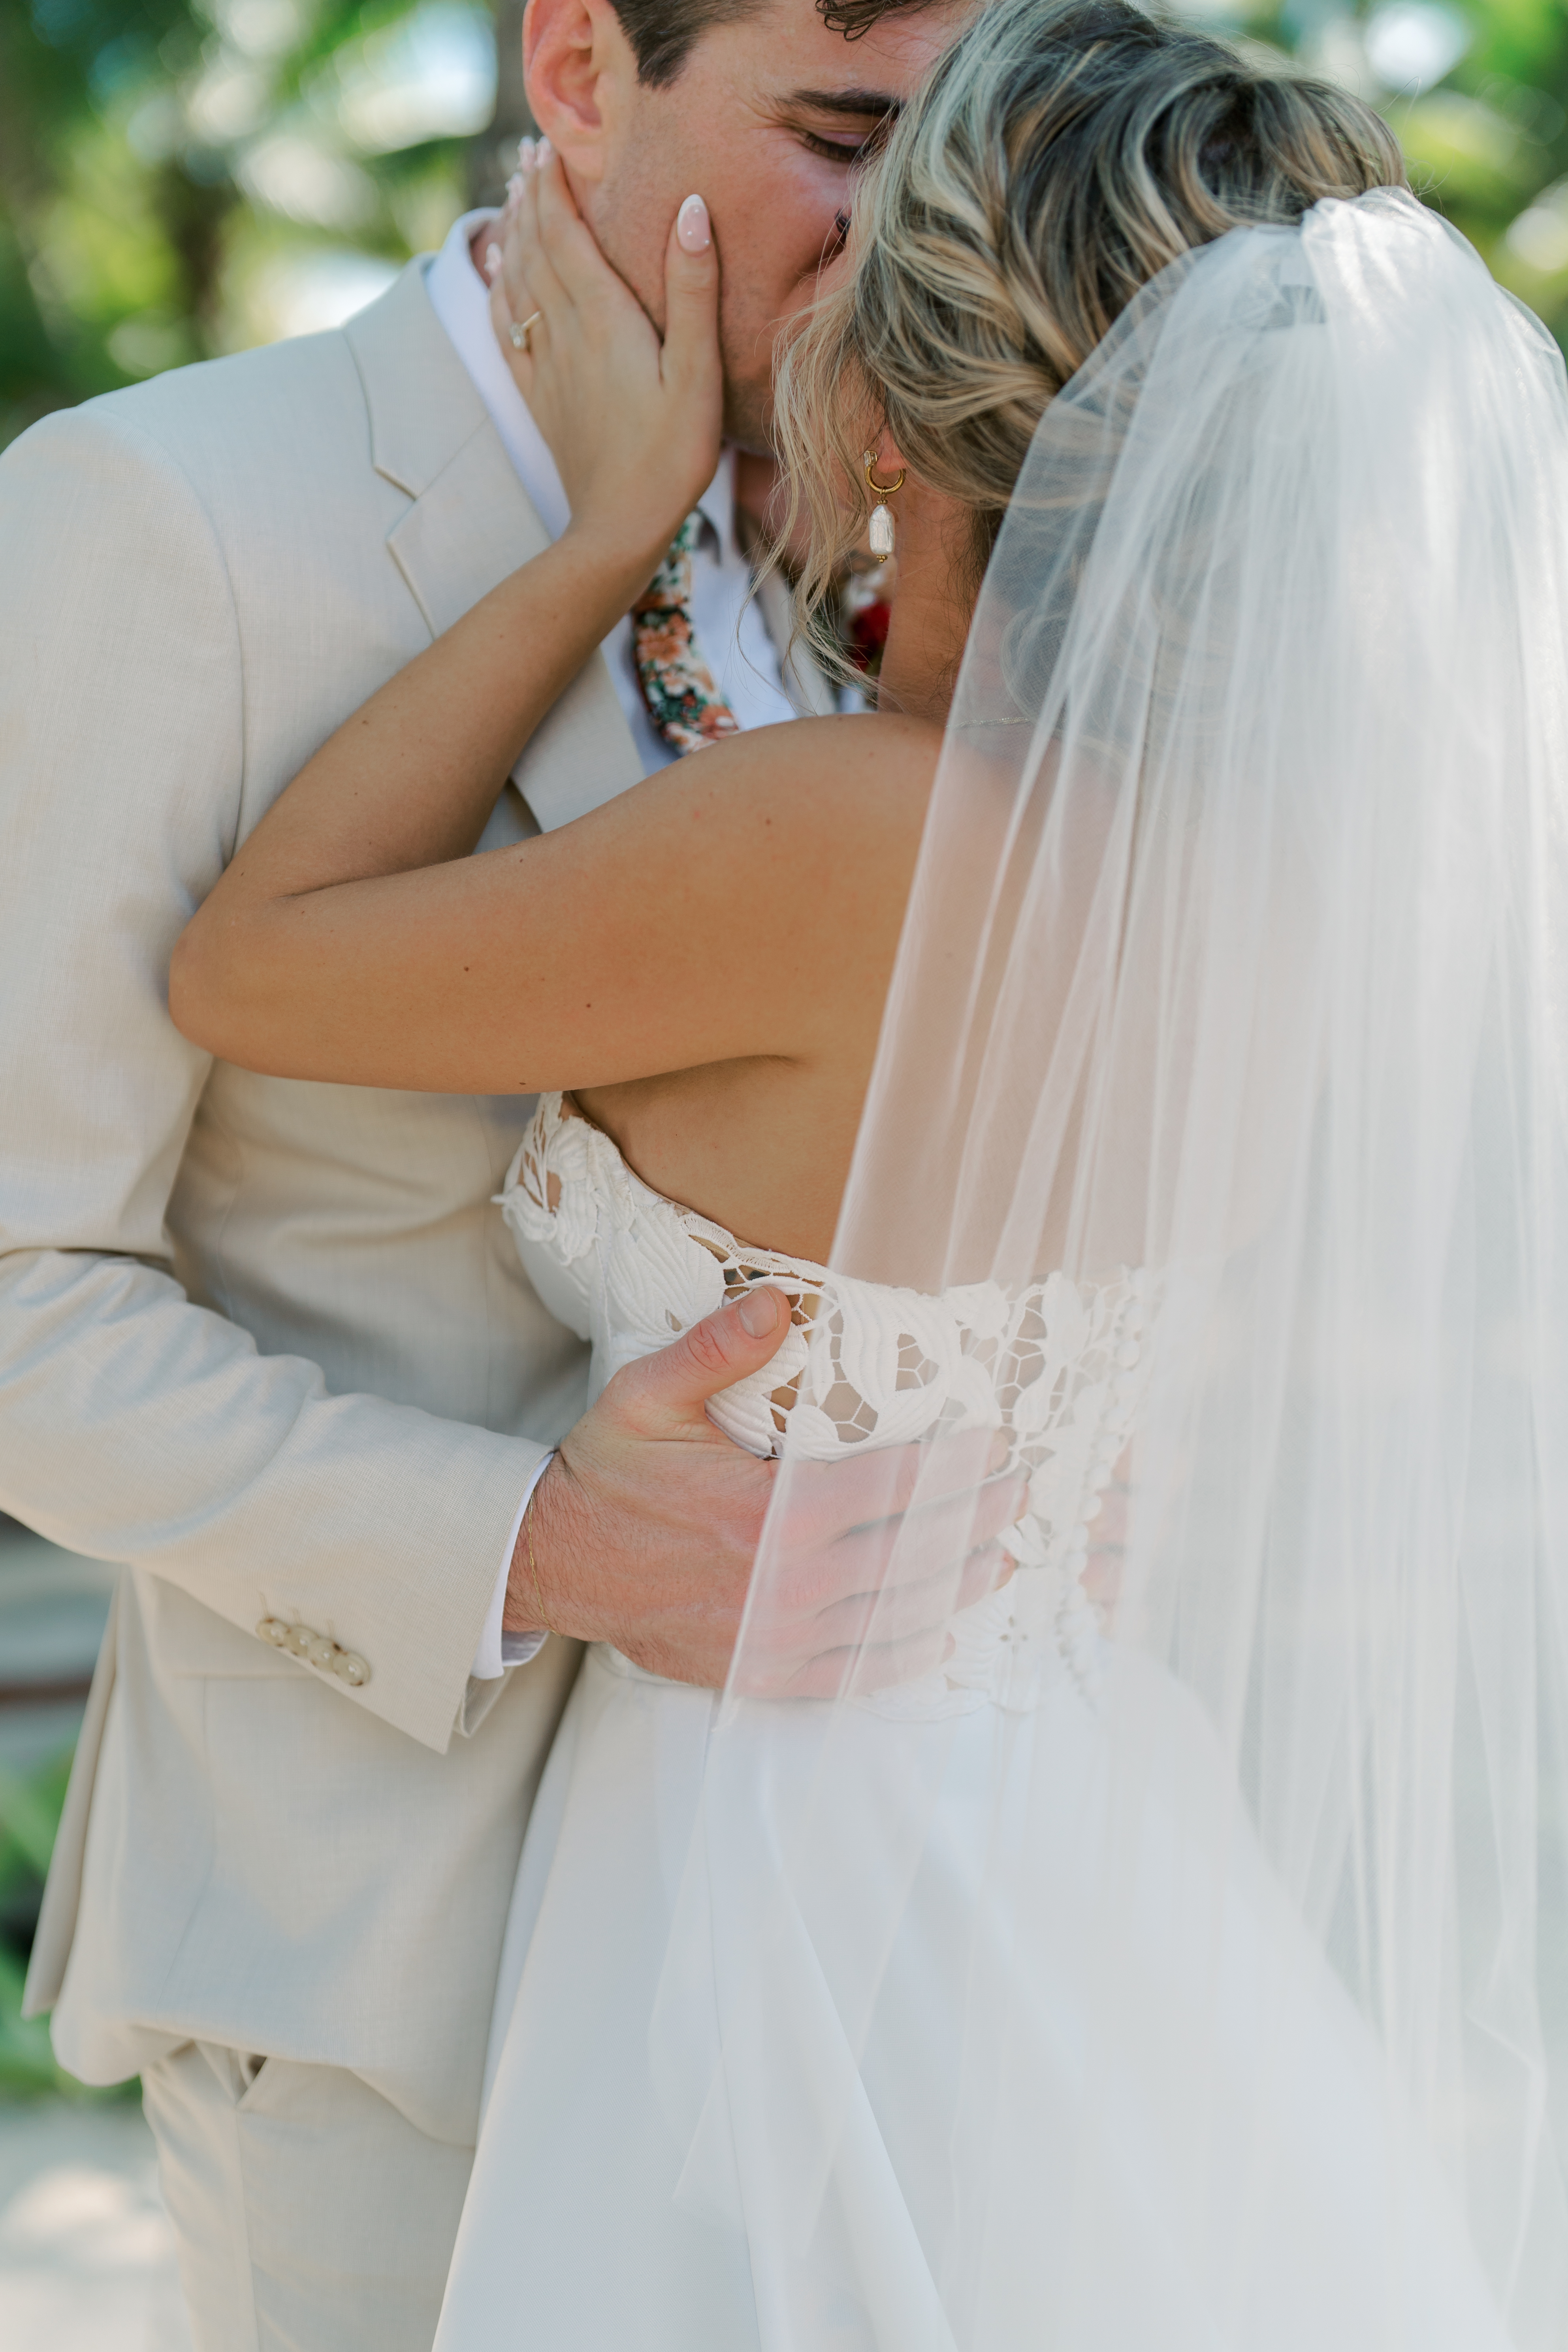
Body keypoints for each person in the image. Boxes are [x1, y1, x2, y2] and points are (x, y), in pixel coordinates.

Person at [169, 0, 1568, 2341]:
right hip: (1086, 1818)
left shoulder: (840, 836)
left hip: (780, 1850)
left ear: (904, 394)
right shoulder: (1300, 875)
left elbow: (253, 970)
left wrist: (603, 529)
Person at [0, 3, 1001, 2345]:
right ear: (574, 67)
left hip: (895, 1943)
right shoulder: (168, 514)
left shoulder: (940, 511)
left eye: (965, 145)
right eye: (846, 133)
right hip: (393, 1978)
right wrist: (533, 1539)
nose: (918, 231)